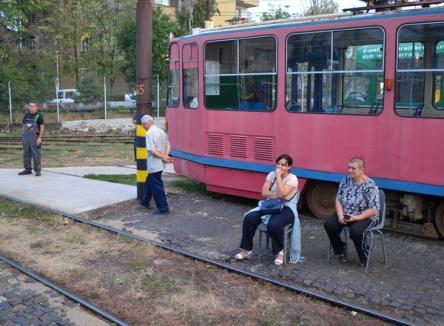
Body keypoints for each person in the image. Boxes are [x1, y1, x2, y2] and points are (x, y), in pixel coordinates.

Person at [235, 154, 301, 265]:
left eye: (283, 165)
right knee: (249, 218)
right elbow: (264, 192)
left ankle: (280, 252)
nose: (280, 167)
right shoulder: (271, 174)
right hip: (271, 205)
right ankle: (247, 250)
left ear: (289, 167)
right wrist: (277, 195)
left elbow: (283, 194)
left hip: (287, 207)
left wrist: (279, 178)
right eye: (278, 164)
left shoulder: (293, 178)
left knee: (274, 224)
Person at [324, 157, 380, 266]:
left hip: (365, 216)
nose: (349, 170)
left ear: (362, 170)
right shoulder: (346, 180)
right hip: (346, 213)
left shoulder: (370, 185)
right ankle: (340, 249)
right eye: (349, 167)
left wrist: (356, 218)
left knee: (355, 232)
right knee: (329, 225)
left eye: (353, 168)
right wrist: (340, 215)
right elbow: (338, 199)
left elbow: (374, 209)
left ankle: (364, 257)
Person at [140, 115, 172, 214]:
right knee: (150, 181)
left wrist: (163, 157)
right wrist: (165, 156)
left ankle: (163, 208)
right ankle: (144, 201)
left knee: (157, 186)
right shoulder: (161, 131)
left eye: (143, 125)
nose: (143, 127)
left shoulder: (149, 133)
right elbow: (168, 145)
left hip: (153, 163)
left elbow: (152, 151)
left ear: (146, 123)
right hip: (161, 163)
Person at [18, 101, 45, 176]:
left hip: (35, 138)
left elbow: (42, 128)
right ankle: (27, 169)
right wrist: (23, 135)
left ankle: (37, 170)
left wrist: (39, 138)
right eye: (30, 106)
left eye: (33, 106)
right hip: (26, 137)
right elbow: (24, 126)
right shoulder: (26, 115)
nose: (32, 107)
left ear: (36, 107)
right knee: (26, 153)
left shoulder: (39, 116)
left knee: (36, 154)